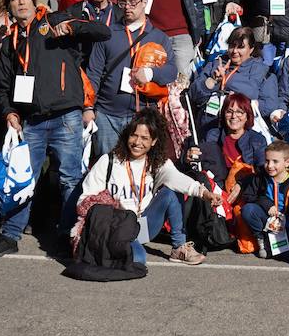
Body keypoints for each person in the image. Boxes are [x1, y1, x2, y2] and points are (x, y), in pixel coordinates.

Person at [0, 0, 111, 259]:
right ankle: (10, 234)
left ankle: (69, 235)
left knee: (69, 179)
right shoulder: (9, 40)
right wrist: (9, 112)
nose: (20, 2)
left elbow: (102, 32)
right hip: (31, 121)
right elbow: (1, 86)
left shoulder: (54, 20)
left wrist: (73, 28)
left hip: (66, 117)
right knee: (22, 178)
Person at [77, 109, 215, 267]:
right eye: (134, 135)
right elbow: (84, 199)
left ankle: (179, 247)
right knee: (137, 260)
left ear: (154, 141)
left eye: (145, 138)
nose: (137, 142)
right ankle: (113, 249)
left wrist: (203, 192)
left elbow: (177, 179)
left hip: (143, 226)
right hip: (116, 228)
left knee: (172, 191)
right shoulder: (108, 162)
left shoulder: (157, 163)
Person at [85, 0, 177, 155]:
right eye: (123, 3)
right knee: (108, 166)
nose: (127, 7)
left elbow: (172, 71)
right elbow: (94, 73)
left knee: (138, 171)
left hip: (142, 117)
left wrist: (150, 73)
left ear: (144, 2)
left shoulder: (159, 37)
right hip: (107, 114)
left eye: (133, 3)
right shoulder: (107, 34)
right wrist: (88, 108)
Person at [189, 27, 280, 138]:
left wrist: (242, 104)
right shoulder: (216, 63)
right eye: (232, 46)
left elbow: (270, 105)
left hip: (241, 132)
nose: (234, 51)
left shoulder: (262, 72)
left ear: (251, 49)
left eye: (241, 47)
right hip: (210, 128)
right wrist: (212, 81)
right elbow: (193, 95)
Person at [238, 141, 289, 259]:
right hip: (268, 221)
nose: (269, 166)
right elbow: (248, 195)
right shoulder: (261, 177)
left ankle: (275, 246)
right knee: (248, 210)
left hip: (288, 226)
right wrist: (267, 204)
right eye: (267, 161)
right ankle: (262, 239)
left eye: (275, 161)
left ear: (287, 163)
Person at [192, 92, 267, 194]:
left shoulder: (257, 140)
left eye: (239, 112)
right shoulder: (212, 135)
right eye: (229, 111)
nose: (233, 116)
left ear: (247, 116)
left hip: (245, 191)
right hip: (215, 189)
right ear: (223, 114)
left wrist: (242, 184)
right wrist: (189, 157)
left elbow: (262, 172)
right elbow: (198, 160)